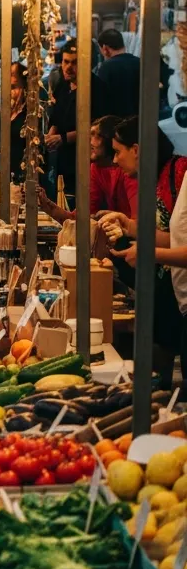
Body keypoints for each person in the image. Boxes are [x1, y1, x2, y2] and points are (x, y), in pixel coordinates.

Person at [103, 119, 187, 387]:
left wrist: (149, 253)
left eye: (118, 151)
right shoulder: (157, 178)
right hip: (175, 291)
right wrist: (129, 227)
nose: (115, 160)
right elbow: (174, 237)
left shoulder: (179, 172)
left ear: (137, 149)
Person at [37, 115, 137, 222]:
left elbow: (138, 225)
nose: (89, 142)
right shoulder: (96, 168)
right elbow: (79, 218)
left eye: (95, 135)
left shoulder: (128, 170)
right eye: (89, 135)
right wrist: (46, 204)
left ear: (110, 139)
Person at [46, 40, 108, 201]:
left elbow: (95, 128)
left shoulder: (97, 89)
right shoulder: (63, 85)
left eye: (74, 63)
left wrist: (63, 138)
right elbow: (56, 118)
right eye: (65, 62)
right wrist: (51, 133)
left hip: (83, 163)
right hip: (61, 164)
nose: (68, 67)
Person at [0, 62, 29, 182]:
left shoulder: (29, 114)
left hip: (20, 177)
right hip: (1, 175)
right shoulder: (6, 111)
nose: (10, 92)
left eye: (13, 87)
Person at [95, 28, 140, 119]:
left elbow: (101, 102)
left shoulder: (106, 68)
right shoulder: (140, 63)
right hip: (139, 124)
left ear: (105, 48)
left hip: (117, 125)